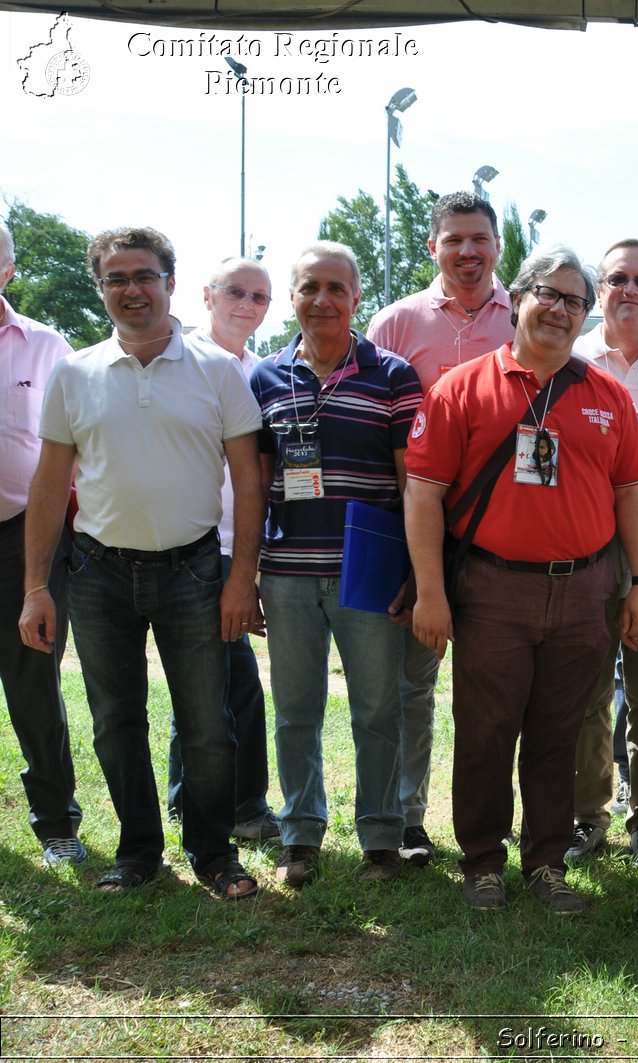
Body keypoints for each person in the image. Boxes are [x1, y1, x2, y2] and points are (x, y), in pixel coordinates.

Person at [404, 247, 638, 912]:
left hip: (584, 591)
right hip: (492, 589)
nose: (561, 309)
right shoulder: (461, 387)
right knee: (485, 730)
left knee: (558, 731)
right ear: (518, 298)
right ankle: (483, 860)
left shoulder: (607, 395)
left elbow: (632, 492)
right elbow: (423, 493)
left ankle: (546, 862)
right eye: (550, 293)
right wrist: (431, 592)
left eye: (576, 301)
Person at [20, 226, 263, 898]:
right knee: (115, 719)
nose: (132, 289)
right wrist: (36, 585)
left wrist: (243, 575)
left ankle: (214, 853)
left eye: (144, 275)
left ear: (170, 283)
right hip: (98, 574)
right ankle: (138, 853)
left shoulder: (217, 369)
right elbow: (49, 484)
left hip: (193, 571)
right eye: (116, 278)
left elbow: (249, 479)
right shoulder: (76, 372)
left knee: (209, 722)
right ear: (101, 290)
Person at [251, 241, 421, 887]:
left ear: (356, 298)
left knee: (378, 709)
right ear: (292, 296)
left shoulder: (394, 374)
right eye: (308, 287)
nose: (322, 299)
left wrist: (412, 570)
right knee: (296, 710)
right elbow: (257, 479)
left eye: (335, 288)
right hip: (288, 572)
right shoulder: (265, 377)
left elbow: (413, 484)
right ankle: (300, 834)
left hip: (368, 572)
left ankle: (381, 836)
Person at [369, 191, 514, 868]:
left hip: (507, 535)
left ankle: (499, 818)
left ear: (496, 245)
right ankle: (407, 818)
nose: (467, 251)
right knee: (413, 682)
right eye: (453, 238)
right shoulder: (396, 323)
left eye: (479, 238)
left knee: (502, 686)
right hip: (420, 529)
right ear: (433, 247)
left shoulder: (526, 317)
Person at [568, 238, 638, 865]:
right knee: (586, 690)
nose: (630, 290)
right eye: (617, 279)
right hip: (582, 547)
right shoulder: (571, 361)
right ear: (598, 291)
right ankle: (588, 815)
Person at [165, 257, 278, 844]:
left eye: (260, 297)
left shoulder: (259, 373)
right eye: (237, 292)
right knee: (224, 683)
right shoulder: (177, 362)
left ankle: (195, 800)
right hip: (190, 545)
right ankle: (233, 805)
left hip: (241, 547)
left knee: (212, 680)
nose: (248, 305)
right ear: (206, 295)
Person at [0, 219, 83, 868]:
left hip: (26, 540)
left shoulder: (46, 345)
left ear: (8, 270)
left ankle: (57, 825)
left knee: (34, 682)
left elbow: (73, 448)